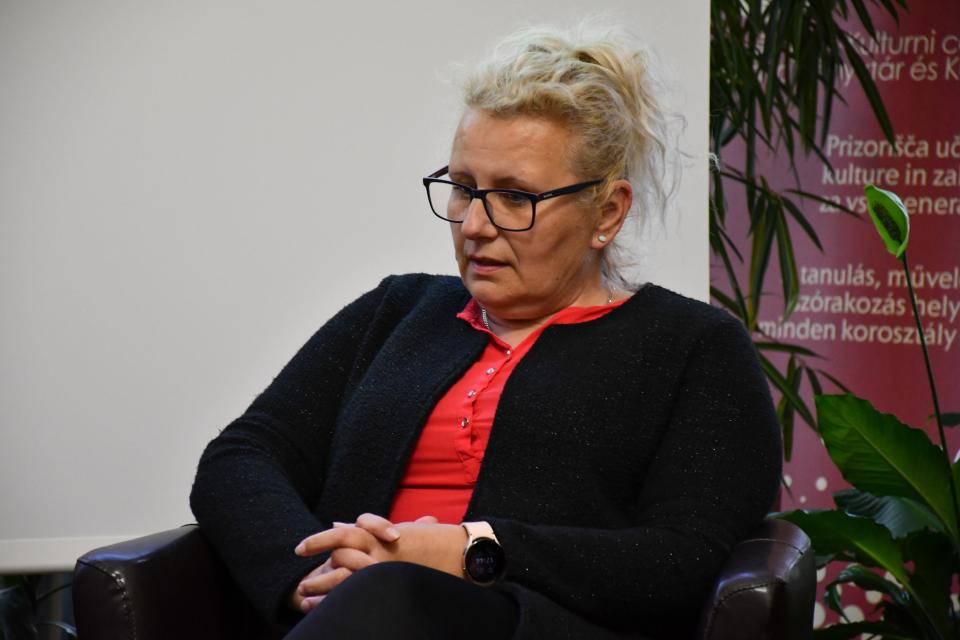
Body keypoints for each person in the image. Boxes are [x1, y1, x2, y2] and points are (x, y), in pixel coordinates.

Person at [189, 23, 781, 640]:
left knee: (391, 594)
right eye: (464, 189)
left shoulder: (695, 348)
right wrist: (314, 576)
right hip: (346, 617)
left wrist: (471, 551)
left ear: (607, 212)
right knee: (379, 597)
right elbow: (242, 456)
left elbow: (685, 557)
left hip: (528, 625)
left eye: (515, 198)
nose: (474, 224)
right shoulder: (397, 310)